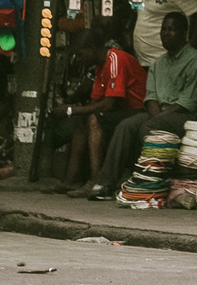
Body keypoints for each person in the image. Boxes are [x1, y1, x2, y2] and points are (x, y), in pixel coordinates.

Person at [80, 12, 197, 199]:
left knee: (149, 126)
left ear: (184, 33)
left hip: (190, 117)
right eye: (163, 29)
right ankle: (105, 184)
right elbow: (150, 97)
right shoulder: (158, 64)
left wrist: (158, 118)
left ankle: (143, 182)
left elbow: (188, 102)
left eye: (172, 29)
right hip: (161, 114)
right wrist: (157, 115)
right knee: (126, 125)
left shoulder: (196, 60)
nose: (166, 33)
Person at [58, 28, 146, 191]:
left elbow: (108, 105)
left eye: (81, 54)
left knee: (94, 119)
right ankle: (71, 179)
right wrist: (78, 112)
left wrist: (71, 110)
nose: (79, 59)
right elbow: (94, 103)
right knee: (83, 118)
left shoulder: (115, 59)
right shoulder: (100, 66)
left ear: (92, 48)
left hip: (139, 110)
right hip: (122, 110)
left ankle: (95, 180)